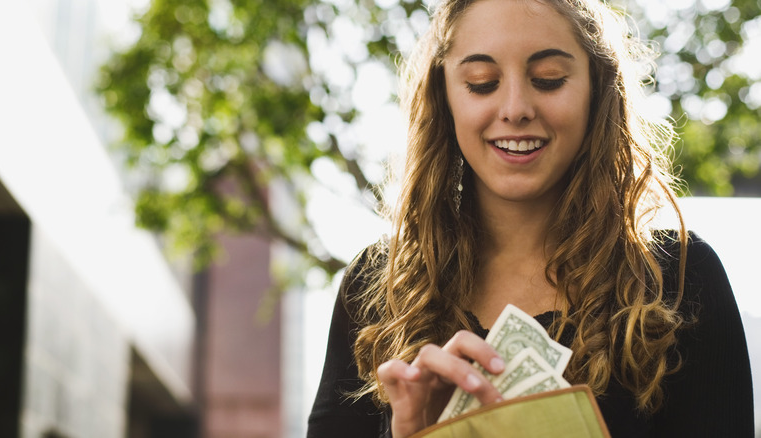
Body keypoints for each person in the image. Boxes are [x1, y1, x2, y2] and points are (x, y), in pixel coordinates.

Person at [308, 0, 755, 436]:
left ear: (598, 91)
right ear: (444, 97)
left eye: (548, 79)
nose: (516, 107)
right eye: (482, 83)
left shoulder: (679, 279)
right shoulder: (378, 287)